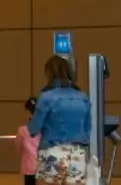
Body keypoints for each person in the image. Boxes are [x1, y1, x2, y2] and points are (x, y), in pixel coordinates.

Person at [29, 57, 91, 185]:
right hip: (76, 153)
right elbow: (88, 128)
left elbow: (34, 129)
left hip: (51, 151)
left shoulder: (46, 97)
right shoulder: (83, 97)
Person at [17, 97, 42, 185]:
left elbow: (18, 147)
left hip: (29, 166)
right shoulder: (47, 129)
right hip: (44, 166)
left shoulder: (22, 130)